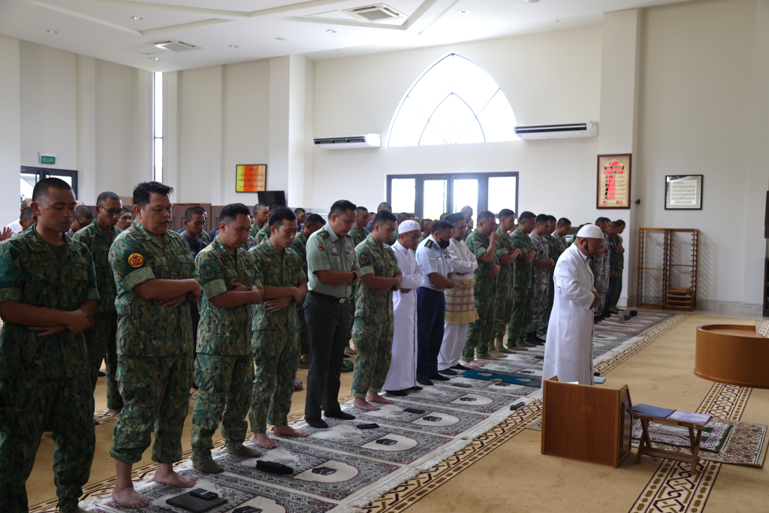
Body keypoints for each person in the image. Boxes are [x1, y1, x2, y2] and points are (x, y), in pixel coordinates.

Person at [0, 178, 98, 513]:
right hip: (25, 365)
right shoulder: (14, 250)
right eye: (59, 207)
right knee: (17, 447)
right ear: (36, 208)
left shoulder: (79, 250)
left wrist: (67, 321)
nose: (68, 214)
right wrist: (67, 318)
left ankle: (70, 503)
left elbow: (91, 300)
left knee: (78, 439)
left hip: (72, 363)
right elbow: (9, 308)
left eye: (71, 207)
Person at [108, 182, 202, 508]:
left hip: (178, 341)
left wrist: (187, 288)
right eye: (158, 209)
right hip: (141, 346)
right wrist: (188, 286)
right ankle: (122, 486)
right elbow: (147, 288)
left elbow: (197, 285)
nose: (166, 215)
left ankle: (165, 470)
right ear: (138, 210)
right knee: (138, 414)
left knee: (174, 410)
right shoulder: (128, 243)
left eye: (168, 209)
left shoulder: (175, 241)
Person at [191, 203, 265, 474]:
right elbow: (220, 298)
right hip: (216, 344)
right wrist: (249, 293)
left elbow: (261, 292)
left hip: (243, 341)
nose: (245, 235)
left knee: (241, 396)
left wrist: (246, 292)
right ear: (222, 227)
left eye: (247, 230)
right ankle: (201, 453)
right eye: (240, 230)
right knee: (211, 401)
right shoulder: (208, 257)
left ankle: (235, 441)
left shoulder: (245, 256)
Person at [248, 207, 309, 447]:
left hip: (290, 325)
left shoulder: (292, 255)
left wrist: (291, 296)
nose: (293, 236)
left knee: (287, 377)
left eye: (296, 231)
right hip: (266, 327)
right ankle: (258, 430)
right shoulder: (255, 255)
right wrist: (292, 292)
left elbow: (304, 285)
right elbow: (259, 289)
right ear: (273, 229)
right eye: (288, 231)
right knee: (265, 379)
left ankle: (280, 422)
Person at [304, 200, 360, 428]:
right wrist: (351, 277)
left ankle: (331, 406)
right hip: (321, 304)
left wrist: (348, 276)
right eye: (347, 221)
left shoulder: (348, 240)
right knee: (320, 360)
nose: (350, 226)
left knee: (337, 359)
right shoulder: (318, 239)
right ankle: (312, 413)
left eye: (352, 222)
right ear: (334, 217)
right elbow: (325, 276)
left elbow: (357, 271)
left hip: (343, 304)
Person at [73, 191, 125, 415]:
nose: (115, 216)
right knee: (91, 364)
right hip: (96, 311)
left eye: (118, 211)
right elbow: (78, 279)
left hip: (120, 310)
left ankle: (117, 404)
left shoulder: (122, 236)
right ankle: (84, 412)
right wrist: (85, 312)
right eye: (110, 211)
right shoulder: (83, 238)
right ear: (98, 210)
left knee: (119, 359)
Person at [351, 210, 402, 410]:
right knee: (366, 356)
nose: (392, 234)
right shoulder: (363, 249)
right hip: (368, 313)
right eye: (389, 229)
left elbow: (399, 276)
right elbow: (370, 281)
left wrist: (391, 283)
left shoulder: (388, 250)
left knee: (384, 354)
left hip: (386, 312)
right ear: (377, 226)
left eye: (394, 230)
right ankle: (359, 397)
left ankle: (374, 392)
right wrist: (393, 282)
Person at [542, 224, 604, 385]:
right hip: (568, 323)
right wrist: (592, 298)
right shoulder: (568, 259)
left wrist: (593, 293)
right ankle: (567, 397)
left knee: (579, 361)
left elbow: (585, 283)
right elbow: (570, 289)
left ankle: (581, 393)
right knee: (568, 366)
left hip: (579, 319)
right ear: (583, 242)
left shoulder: (581, 259)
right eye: (595, 246)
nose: (597, 250)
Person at [383, 219, 422, 395]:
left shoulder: (411, 252)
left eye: (418, 236)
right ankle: (393, 385)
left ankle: (408, 381)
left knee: (410, 344)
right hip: (398, 304)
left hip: (410, 303)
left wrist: (409, 282)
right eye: (414, 236)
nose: (416, 240)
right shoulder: (392, 252)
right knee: (397, 345)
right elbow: (398, 279)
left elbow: (419, 277)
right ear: (402, 235)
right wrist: (408, 282)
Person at [460, 210, 505, 364]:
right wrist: (493, 241)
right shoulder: (474, 239)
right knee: (476, 323)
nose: (494, 227)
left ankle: (482, 352)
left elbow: (495, 259)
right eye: (491, 224)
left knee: (488, 322)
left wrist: (498, 267)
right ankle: (467, 356)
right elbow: (486, 257)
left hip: (490, 288)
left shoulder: (488, 238)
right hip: (478, 288)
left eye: (495, 224)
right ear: (481, 223)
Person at [415, 220, 455, 386]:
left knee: (437, 334)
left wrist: (448, 283)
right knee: (424, 335)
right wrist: (450, 284)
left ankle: (433, 369)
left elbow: (450, 271)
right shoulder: (427, 248)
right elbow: (433, 276)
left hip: (439, 294)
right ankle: (421, 373)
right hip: (426, 294)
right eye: (447, 237)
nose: (449, 240)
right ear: (437, 234)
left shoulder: (442, 248)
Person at [439, 214, 479, 371]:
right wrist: (469, 267)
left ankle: (454, 361)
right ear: (451, 227)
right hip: (453, 290)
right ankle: (443, 364)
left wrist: (468, 267)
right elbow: (455, 265)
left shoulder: (462, 243)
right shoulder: (447, 244)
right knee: (450, 328)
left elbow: (474, 261)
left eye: (465, 227)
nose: (464, 230)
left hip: (467, 289)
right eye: (461, 227)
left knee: (463, 328)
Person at [291, 213, 325, 370]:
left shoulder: (318, 241)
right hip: (299, 287)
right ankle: (299, 356)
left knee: (309, 323)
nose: (319, 233)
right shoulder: (297, 243)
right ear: (307, 226)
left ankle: (306, 354)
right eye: (317, 229)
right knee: (300, 325)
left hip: (311, 287)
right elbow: (299, 267)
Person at [491, 209, 521, 355]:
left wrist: (514, 253)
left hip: (508, 281)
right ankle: (491, 346)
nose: (513, 223)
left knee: (505, 313)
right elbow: (507, 260)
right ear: (502, 220)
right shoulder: (499, 236)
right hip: (499, 282)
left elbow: (511, 255)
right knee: (497, 314)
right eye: (511, 220)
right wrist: (516, 252)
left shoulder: (508, 237)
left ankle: (500, 343)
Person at [507, 212, 538, 352]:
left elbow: (530, 255)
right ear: (523, 222)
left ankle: (520, 339)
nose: (533, 226)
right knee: (518, 312)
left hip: (528, 280)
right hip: (518, 282)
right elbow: (527, 258)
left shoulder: (526, 237)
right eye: (531, 224)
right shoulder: (517, 237)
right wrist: (533, 252)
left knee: (527, 311)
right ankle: (512, 341)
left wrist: (532, 253)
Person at [527, 215, 555, 344]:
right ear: (538, 225)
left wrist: (548, 262)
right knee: (534, 308)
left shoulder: (543, 240)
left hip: (544, 278)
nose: (548, 228)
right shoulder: (532, 239)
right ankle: (528, 335)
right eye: (546, 226)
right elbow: (533, 261)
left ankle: (535, 333)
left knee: (541, 307)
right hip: (536, 278)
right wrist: (548, 262)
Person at [538, 216, 569, 339]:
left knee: (551, 302)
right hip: (546, 274)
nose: (551, 228)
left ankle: (548, 328)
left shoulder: (551, 239)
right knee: (544, 304)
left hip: (555, 273)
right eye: (550, 226)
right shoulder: (544, 239)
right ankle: (541, 330)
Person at [346, 206, 371, 356]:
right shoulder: (350, 235)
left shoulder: (367, 235)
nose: (367, 220)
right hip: (354, 278)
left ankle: (356, 341)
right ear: (356, 218)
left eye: (368, 217)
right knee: (350, 313)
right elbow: (349, 257)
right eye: (364, 217)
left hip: (366, 278)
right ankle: (346, 342)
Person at [591, 218, 611, 322]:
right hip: (595, 269)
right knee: (596, 291)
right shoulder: (593, 236)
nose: (607, 229)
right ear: (598, 225)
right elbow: (593, 252)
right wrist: (603, 249)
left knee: (603, 290)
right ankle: (593, 314)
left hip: (604, 269)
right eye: (605, 227)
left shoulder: (605, 236)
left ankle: (599, 312)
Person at [609, 220, 626, 313]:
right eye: (621, 228)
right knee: (614, 287)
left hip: (619, 265)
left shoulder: (616, 237)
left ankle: (614, 305)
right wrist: (620, 242)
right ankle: (610, 306)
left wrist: (621, 249)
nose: (621, 231)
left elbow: (621, 250)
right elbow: (617, 251)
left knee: (619, 286)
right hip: (614, 265)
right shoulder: (613, 238)